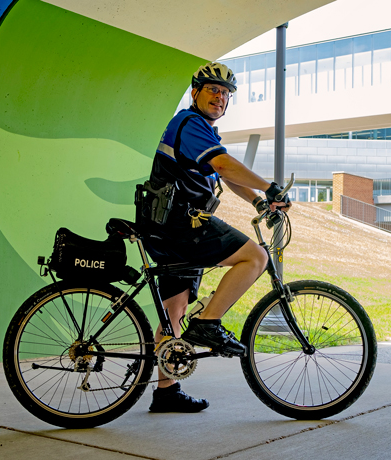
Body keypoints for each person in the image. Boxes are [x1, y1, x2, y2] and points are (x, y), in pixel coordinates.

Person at [140, 62, 291, 413]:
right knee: (255, 257)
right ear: (195, 93)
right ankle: (208, 322)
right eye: (213, 90)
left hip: (167, 226)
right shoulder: (191, 125)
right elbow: (223, 165)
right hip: (181, 225)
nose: (220, 98)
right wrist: (269, 187)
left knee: (173, 314)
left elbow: (223, 170)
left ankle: (166, 392)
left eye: (225, 94)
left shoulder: (198, 129)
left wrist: (257, 199)